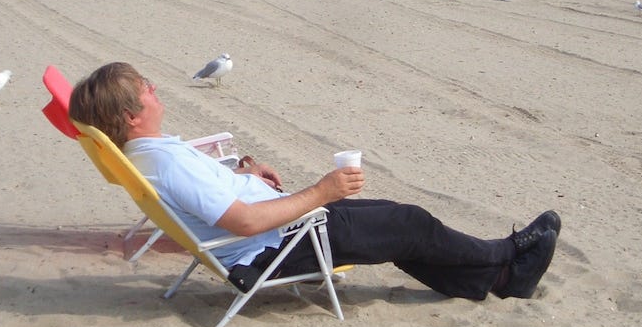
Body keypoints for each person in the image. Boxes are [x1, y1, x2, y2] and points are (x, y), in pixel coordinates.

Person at [69, 62, 560, 301]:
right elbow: (241, 222)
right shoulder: (165, 161)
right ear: (132, 116)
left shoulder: (149, 154)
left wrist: (242, 172)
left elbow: (209, 197)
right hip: (273, 248)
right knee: (407, 223)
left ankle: (496, 279)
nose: (155, 90)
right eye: (146, 90)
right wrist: (321, 192)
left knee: (394, 220)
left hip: (281, 231)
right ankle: (506, 255)